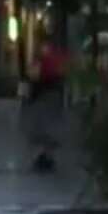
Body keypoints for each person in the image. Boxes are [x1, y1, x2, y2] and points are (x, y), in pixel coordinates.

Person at [23, 38, 71, 172]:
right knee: (50, 127)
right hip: (53, 95)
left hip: (44, 94)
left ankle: (46, 157)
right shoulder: (60, 58)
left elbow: (34, 75)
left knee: (45, 126)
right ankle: (47, 156)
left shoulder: (44, 60)